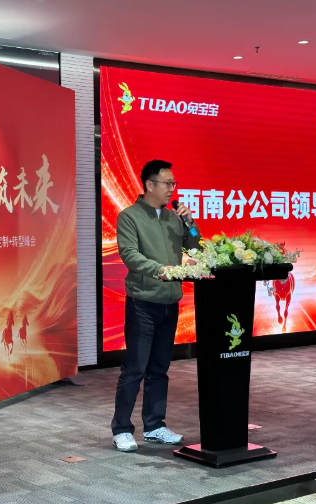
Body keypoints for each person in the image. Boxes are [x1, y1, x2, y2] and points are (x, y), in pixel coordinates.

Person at [111, 159, 202, 452]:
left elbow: (197, 249)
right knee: (134, 369)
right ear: (150, 185)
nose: (172, 188)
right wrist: (159, 269)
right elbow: (130, 255)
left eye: (174, 183)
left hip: (169, 302)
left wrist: (190, 224)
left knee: (159, 369)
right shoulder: (129, 217)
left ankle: (154, 426)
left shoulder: (175, 218)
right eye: (167, 183)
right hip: (143, 302)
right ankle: (121, 429)